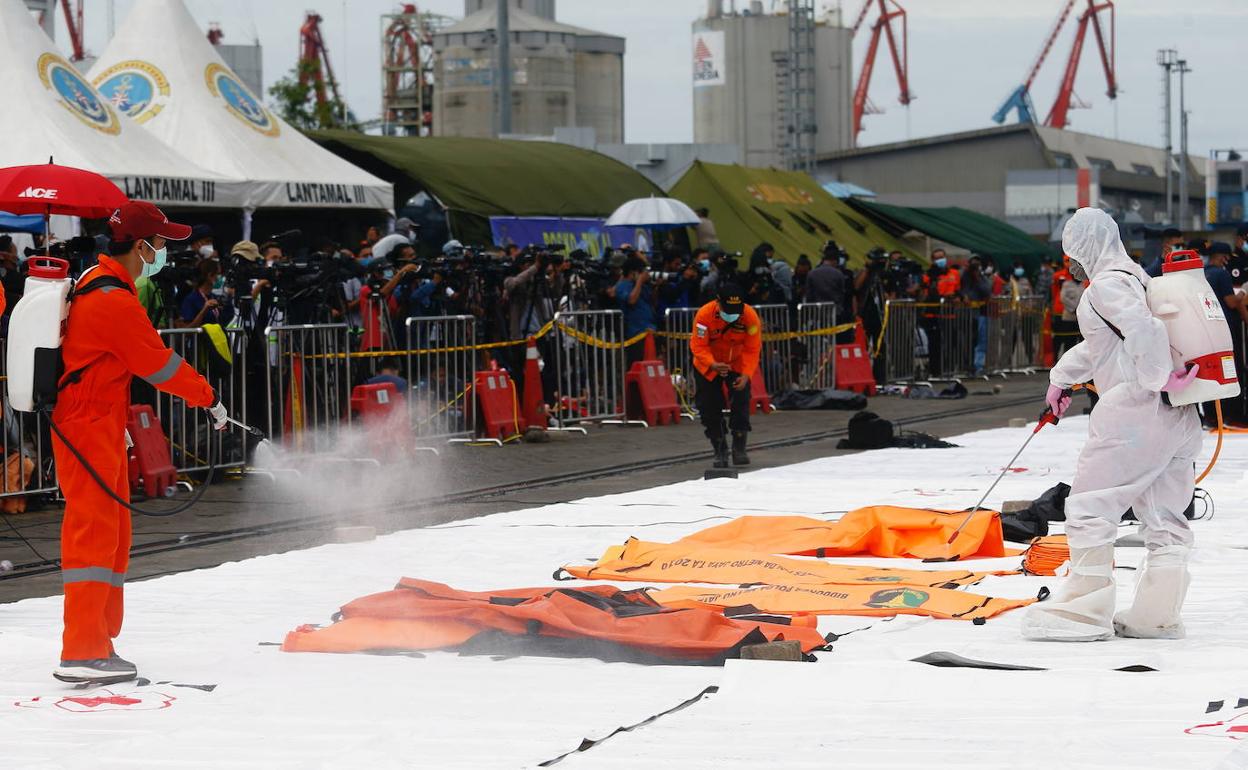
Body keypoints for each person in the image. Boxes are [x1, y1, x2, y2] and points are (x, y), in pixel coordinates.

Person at [51, 200, 228, 683]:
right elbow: (159, 365)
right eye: (163, 241)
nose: (167, 249)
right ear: (143, 245)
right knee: (93, 536)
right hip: (87, 428)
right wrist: (208, 397)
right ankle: (82, 651)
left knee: (111, 535)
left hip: (97, 425)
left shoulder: (98, 283)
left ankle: (97, 641)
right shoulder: (111, 299)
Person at [1022, 207, 1201, 643]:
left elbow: (1143, 329)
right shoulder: (1137, 277)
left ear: (1087, 247)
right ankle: (1155, 616)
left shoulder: (1105, 285)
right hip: (1177, 413)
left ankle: (1083, 614)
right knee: (1163, 515)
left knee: (1089, 505)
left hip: (1135, 412)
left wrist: (1157, 378)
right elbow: (1104, 346)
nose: (1071, 262)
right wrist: (1061, 378)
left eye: (1072, 252)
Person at [689, 282, 761, 467]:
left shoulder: (749, 316)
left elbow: (752, 348)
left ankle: (739, 446)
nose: (732, 314)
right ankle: (719, 448)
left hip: (736, 363)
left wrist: (746, 374)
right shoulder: (705, 315)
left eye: (736, 310)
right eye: (728, 309)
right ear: (718, 303)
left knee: (741, 400)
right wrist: (712, 364)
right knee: (709, 406)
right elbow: (698, 345)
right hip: (708, 365)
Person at [1202, 242, 1248, 426]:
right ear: (1222, 257)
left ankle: (1211, 416)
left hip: (1208, 328)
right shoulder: (1221, 274)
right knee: (1231, 370)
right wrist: (1242, 293)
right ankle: (1233, 415)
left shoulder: (1203, 273)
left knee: (1212, 371)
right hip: (1227, 328)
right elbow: (1230, 302)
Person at [615, 256, 658, 365]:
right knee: (637, 363)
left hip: (650, 329)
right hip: (636, 332)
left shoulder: (642, 286)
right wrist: (639, 281)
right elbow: (631, 300)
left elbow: (652, 301)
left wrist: (656, 286)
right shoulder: (622, 286)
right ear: (633, 273)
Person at [179, 260, 233, 328]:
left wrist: (228, 301)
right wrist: (204, 310)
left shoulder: (214, 297)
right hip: (200, 338)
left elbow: (224, 321)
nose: (219, 278)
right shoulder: (191, 299)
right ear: (210, 275)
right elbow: (187, 330)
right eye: (218, 274)